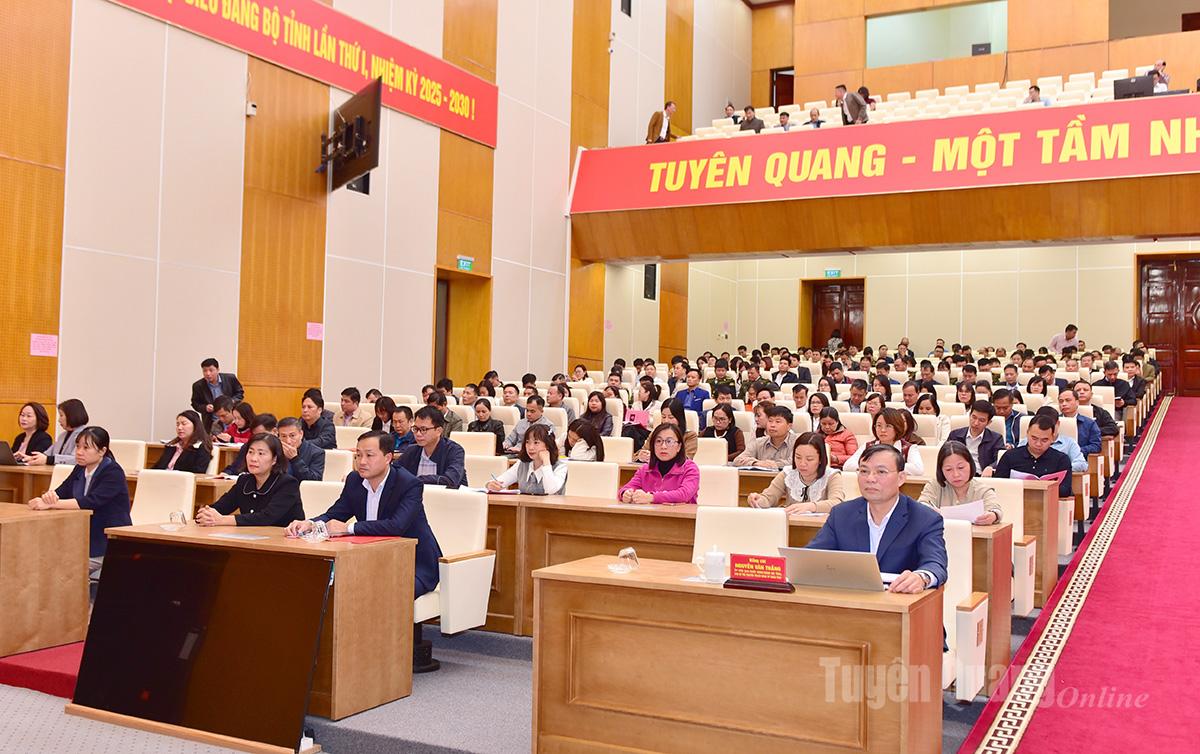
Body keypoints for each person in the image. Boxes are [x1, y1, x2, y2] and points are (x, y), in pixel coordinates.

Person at [287, 431, 442, 597]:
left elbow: (396, 526)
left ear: (388, 457)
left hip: (413, 562)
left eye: (369, 455)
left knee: (386, 592)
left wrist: (348, 528)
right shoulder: (355, 480)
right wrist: (310, 523)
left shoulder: (409, 484)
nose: (362, 462)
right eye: (358, 455)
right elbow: (336, 513)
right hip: (371, 559)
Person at [805, 445, 946, 594]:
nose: (870, 479)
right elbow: (811, 557)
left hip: (898, 604)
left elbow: (935, 563)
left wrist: (921, 577)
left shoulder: (925, 519)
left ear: (901, 478)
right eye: (864, 471)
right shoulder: (841, 514)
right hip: (851, 604)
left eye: (881, 472)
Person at [26, 426, 132, 585]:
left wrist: (51, 504)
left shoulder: (113, 472)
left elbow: (91, 502)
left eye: (86, 448)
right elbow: (61, 490)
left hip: (106, 543)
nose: (79, 452)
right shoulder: (79, 468)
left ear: (102, 451)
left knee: (60, 569)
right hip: (81, 540)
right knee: (40, 561)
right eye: (77, 446)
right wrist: (48, 497)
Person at [196, 433, 305, 527]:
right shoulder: (244, 481)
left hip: (283, 543)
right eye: (250, 452)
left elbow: (266, 517)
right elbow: (221, 507)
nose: (253, 458)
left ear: (274, 459)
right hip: (249, 538)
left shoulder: (287, 484)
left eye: (261, 453)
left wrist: (223, 520)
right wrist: (206, 514)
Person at [748, 433, 846, 514]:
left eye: (809, 459)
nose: (802, 464)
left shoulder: (832, 476)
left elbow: (837, 503)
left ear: (821, 459)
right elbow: (768, 498)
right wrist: (757, 500)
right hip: (789, 526)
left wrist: (811, 506)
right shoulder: (787, 473)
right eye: (798, 457)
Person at [988, 414, 1073, 498]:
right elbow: (998, 485)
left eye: (1044, 440)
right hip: (1015, 501)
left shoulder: (1061, 459)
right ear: (1027, 433)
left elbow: (1065, 490)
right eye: (1034, 438)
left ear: (1052, 438)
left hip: (1049, 503)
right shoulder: (1010, 456)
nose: (1038, 444)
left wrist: (1042, 487)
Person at [918, 442, 1002, 524]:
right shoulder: (934, 485)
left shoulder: (983, 490)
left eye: (960, 467)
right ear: (941, 470)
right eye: (948, 469)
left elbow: (995, 509)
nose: (956, 474)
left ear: (971, 465)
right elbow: (922, 504)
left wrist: (993, 515)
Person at [617, 424, 700, 505]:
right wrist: (625, 494)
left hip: (681, 517)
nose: (663, 446)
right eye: (659, 441)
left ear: (679, 446)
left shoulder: (690, 468)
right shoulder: (645, 469)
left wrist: (651, 497)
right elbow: (625, 488)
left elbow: (684, 494)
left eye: (669, 441)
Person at [396, 406, 465, 488]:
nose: (418, 434)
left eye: (423, 429)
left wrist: (415, 480)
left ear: (438, 431)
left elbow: (451, 480)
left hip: (447, 498)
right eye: (415, 429)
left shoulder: (454, 450)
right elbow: (395, 473)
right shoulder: (412, 450)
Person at [487, 425, 567, 495]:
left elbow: (550, 490)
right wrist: (490, 485)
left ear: (548, 445)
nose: (530, 447)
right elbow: (500, 482)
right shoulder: (522, 464)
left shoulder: (561, 467)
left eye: (536, 443)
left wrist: (546, 462)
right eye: (527, 442)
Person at [844, 408, 924, 475]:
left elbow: (918, 469)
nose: (882, 430)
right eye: (879, 425)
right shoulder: (868, 446)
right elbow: (847, 466)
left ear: (897, 428)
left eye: (888, 426)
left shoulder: (909, 448)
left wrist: (884, 466)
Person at [24, 398, 89, 467]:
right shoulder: (62, 436)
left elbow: (76, 459)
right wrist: (33, 458)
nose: (59, 420)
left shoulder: (85, 435)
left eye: (61, 415)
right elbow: (47, 454)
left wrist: (48, 459)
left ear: (71, 415)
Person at [190, 357, 245, 430]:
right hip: (211, 421)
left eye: (211, 370)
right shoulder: (198, 386)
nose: (208, 373)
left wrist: (231, 402)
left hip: (232, 419)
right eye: (205, 371)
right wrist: (205, 407)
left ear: (218, 369)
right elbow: (195, 403)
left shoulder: (230, 378)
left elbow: (240, 393)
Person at [947, 400, 1003, 472]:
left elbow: (1000, 459)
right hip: (958, 474)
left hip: (982, 475)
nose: (976, 423)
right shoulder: (955, 435)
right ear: (969, 415)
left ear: (988, 422)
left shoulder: (996, 439)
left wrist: (990, 467)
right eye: (974, 417)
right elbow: (945, 455)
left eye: (981, 420)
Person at [277, 417, 326, 482]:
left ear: (301, 434)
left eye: (292, 435)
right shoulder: (275, 451)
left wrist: (295, 459)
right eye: (283, 436)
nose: (288, 441)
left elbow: (314, 481)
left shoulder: (317, 453)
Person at [1058, 389, 1101, 456]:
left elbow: (1096, 446)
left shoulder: (1089, 423)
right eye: (1061, 401)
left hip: (1080, 458)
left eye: (1068, 400)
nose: (1064, 404)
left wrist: (1076, 451)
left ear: (1077, 402)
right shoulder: (1053, 422)